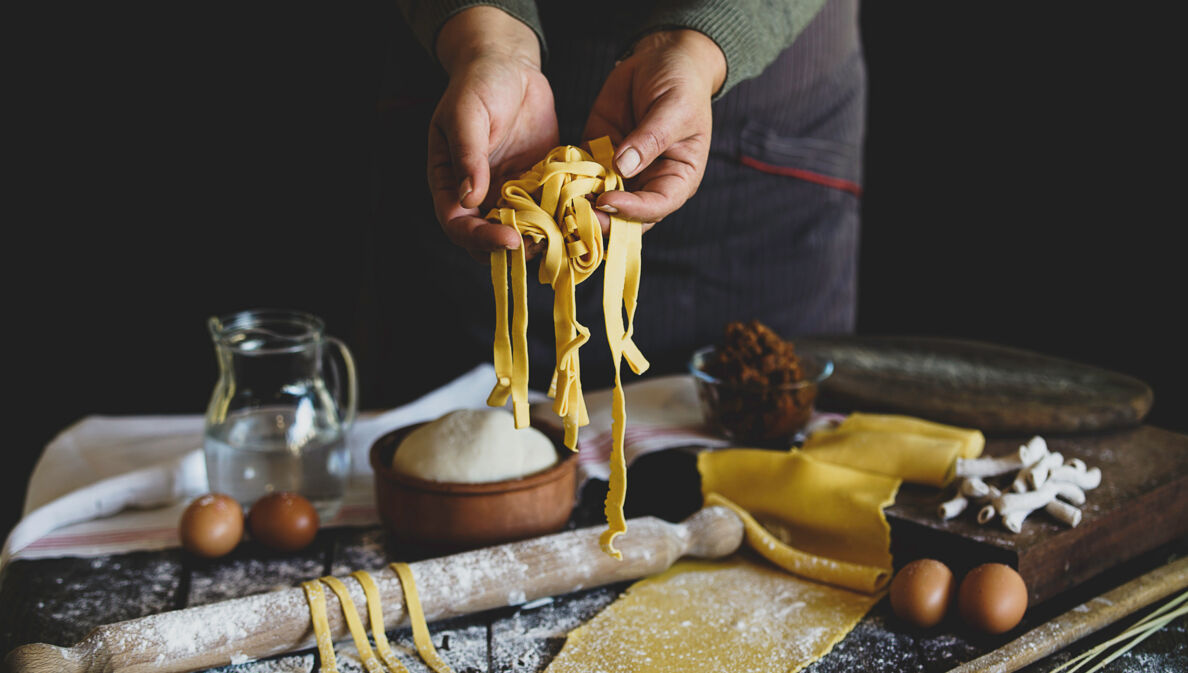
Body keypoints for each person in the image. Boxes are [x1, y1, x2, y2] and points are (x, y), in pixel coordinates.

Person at [367, 0, 864, 406]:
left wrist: (699, 45)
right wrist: (486, 40)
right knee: (455, 454)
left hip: (754, 125)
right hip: (474, 97)